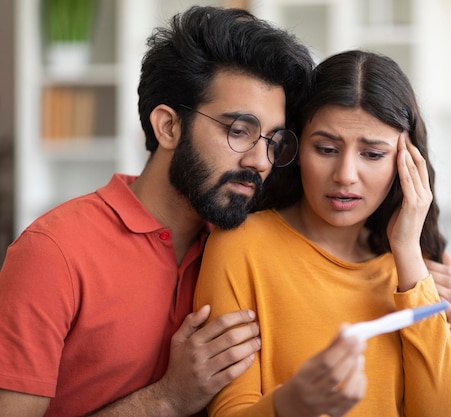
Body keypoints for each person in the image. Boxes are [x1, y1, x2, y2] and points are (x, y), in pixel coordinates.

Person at [0, 6, 315, 416]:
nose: (261, 161)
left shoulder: (243, 246)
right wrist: (167, 398)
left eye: (273, 140)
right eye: (239, 131)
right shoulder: (53, 253)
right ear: (168, 127)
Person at [194, 50, 451, 416]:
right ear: (294, 148)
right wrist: (291, 403)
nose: (345, 175)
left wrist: (407, 251)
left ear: (406, 165)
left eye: (372, 154)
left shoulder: (409, 272)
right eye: (325, 148)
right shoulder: (241, 246)